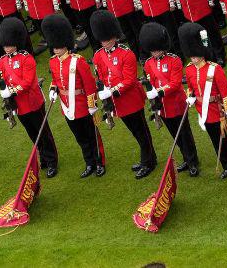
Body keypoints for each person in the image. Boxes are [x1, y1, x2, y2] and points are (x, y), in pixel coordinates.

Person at [89, 9, 155, 179]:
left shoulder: (126, 54)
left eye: (107, 39)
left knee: (142, 133)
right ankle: (149, 158)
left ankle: (148, 161)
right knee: (135, 132)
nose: (105, 43)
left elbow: (129, 80)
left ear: (114, 36)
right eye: (103, 40)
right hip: (117, 103)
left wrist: (111, 90)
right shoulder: (98, 56)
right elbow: (100, 77)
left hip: (130, 99)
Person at [42, 13, 104, 178]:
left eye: (58, 47)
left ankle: (99, 162)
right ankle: (89, 162)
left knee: (92, 136)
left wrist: (92, 104)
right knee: (80, 138)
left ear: (66, 45)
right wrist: (52, 89)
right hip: (66, 106)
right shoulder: (53, 62)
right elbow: (56, 80)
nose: (56, 50)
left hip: (82, 105)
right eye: (54, 47)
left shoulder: (78, 61)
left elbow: (89, 84)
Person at [0, 15, 58, 178]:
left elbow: (28, 82)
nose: (6, 48)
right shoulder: (2, 61)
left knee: (43, 132)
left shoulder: (27, 58)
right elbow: (3, 78)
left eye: (9, 45)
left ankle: (52, 160)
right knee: (32, 133)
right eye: (5, 45)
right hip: (18, 105)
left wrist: (12, 90)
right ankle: (43, 157)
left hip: (32, 102)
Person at [179, 21, 227, 179]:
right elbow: (191, 88)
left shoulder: (214, 68)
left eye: (195, 55)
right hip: (203, 111)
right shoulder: (189, 69)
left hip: (218, 109)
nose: (193, 58)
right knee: (215, 140)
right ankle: (226, 165)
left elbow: (225, 91)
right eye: (191, 55)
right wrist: (190, 97)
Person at [140, 21, 199, 176]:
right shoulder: (148, 64)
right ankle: (186, 159)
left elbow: (174, 84)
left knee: (185, 135)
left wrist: (158, 91)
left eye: (157, 49)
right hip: (163, 107)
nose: (155, 53)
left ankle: (193, 162)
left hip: (177, 104)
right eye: (152, 50)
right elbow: (151, 82)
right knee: (175, 135)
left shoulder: (174, 60)